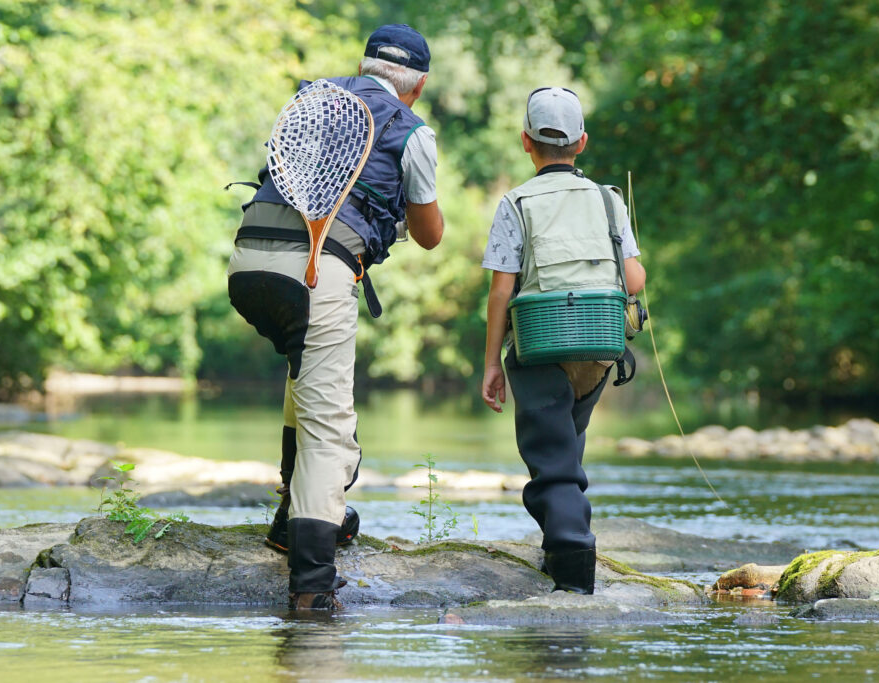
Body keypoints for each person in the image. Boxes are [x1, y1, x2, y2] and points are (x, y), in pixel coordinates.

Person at [227, 24, 444, 611]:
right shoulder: (413, 131)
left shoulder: (313, 99)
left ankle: (285, 521)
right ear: (417, 87)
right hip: (317, 272)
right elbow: (430, 235)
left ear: (364, 66)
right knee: (329, 428)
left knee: (306, 377)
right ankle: (312, 588)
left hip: (248, 262)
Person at [480, 87, 645, 595]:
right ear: (583, 143)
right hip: (599, 346)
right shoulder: (608, 198)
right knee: (566, 448)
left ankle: (572, 551)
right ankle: (561, 549)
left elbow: (502, 290)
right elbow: (634, 281)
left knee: (549, 456)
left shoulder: (515, 202)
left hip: (540, 345)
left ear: (526, 142)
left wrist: (490, 365)